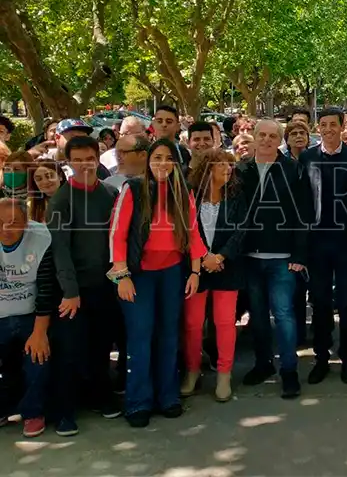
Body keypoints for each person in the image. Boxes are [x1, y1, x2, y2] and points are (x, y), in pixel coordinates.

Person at [109, 139, 207, 428]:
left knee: (167, 336)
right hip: (139, 275)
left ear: (177, 162)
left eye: (168, 158)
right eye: (157, 157)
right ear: (149, 161)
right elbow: (117, 235)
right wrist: (122, 275)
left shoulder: (183, 191)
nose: (162, 163)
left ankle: (168, 396)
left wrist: (195, 271)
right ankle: (138, 401)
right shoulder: (133, 189)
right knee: (140, 339)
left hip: (172, 273)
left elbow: (193, 234)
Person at [47, 136, 122, 433]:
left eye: (88, 158)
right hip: (74, 291)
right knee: (70, 351)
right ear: (68, 162)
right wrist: (70, 291)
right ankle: (65, 411)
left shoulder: (109, 193)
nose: (84, 165)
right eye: (76, 160)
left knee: (101, 346)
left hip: (105, 286)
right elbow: (60, 250)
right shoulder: (61, 200)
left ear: (98, 158)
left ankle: (100, 396)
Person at [236, 120, 313, 398]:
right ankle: (263, 364)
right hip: (250, 256)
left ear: (280, 140)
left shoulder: (293, 169)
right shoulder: (240, 170)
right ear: (253, 138)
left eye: (272, 136)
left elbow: (304, 213)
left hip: (283, 257)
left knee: (284, 315)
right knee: (256, 316)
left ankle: (289, 370)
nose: (267, 140)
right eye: (262, 135)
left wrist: (300, 254)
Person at [300, 108, 347, 385]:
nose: (328, 129)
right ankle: (322, 358)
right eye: (323, 125)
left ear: (341, 128)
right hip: (317, 243)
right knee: (321, 303)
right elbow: (301, 202)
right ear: (318, 128)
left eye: (332, 124)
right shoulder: (307, 157)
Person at [183, 148, 246, 403]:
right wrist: (204, 257)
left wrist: (220, 257)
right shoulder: (190, 196)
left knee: (224, 323)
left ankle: (224, 374)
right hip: (196, 269)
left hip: (226, 267)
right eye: (222, 164)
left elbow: (242, 230)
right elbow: (186, 230)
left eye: (230, 165)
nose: (228, 169)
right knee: (192, 324)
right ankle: (192, 370)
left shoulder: (237, 195)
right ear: (207, 169)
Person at [0, 198, 57, 437]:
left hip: (30, 313)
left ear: (26, 223)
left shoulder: (40, 238)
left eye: (14, 223)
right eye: (0, 223)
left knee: (37, 357)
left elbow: (46, 289)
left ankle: (33, 411)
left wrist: (40, 332)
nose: (6, 229)